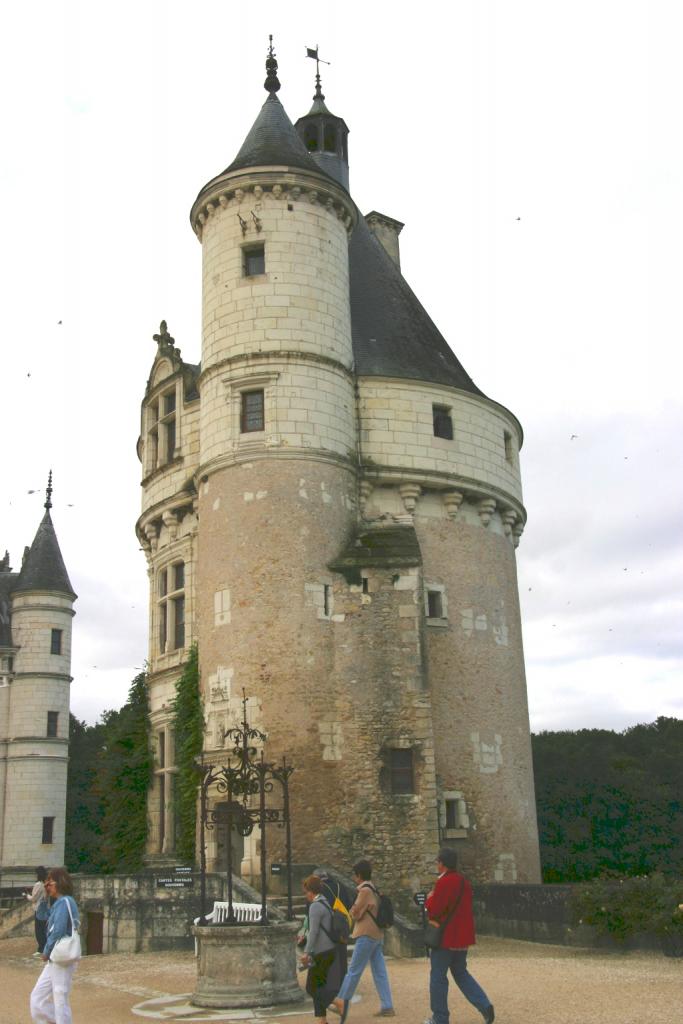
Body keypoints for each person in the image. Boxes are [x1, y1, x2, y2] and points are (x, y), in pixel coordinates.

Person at [423, 847, 494, 1024]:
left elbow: (434, 910)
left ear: (442, 864)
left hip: (445, 939)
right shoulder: (464, 882)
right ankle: (484, 1005)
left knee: (438, 977)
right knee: (461, 974)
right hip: (461, 939)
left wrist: (429, 899)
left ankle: (440, 1018)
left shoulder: (443, 883)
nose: (437, 865)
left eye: (438, 862)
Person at [331, 859, 394, 1021]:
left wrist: (350, 910)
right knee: (380, 972)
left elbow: (356, 912)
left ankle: (341, 1000)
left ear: (359, 875)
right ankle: (387, 1005)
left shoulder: (364, 891)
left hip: (366, 934)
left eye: (355, 875)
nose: (354, 878)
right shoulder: (373, 888)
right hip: (376, 934)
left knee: (354, 970)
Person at [30, 866, 80, 1024]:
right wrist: (44, 898)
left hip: (61, 955)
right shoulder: (58, 903)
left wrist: (46, 951)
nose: (47, 884)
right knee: (37, 998)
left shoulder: (65, 902)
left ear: (59, 882)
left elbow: (57, 930)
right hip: (56, 957)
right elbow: (42, 916)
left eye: (50, 882)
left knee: (60, 997)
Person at [300, 874, 343, 1024]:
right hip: (329, 950)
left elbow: (314, 932)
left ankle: (337, 1002)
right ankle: (322, 1020)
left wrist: (306, 952)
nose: (305, 895)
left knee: (311, 987)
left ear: (311, 891)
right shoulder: (325, 902)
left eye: (306, 892)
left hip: (321, 952)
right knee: (318, 984)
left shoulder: (315, 906)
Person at [25, 866, 50, 957]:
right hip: (45, 908)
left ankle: (41, 949)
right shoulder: (46, 883)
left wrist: (26, 895)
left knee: (39, 930)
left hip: (39, 908)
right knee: (44, 929)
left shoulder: (38, 884)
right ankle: (45, 947)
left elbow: (33, 898)